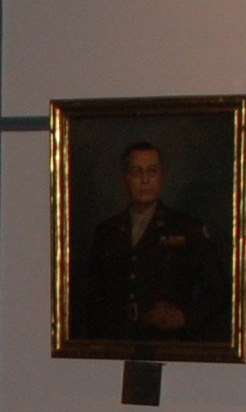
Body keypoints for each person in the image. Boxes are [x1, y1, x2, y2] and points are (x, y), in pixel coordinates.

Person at [79, 139, 215, 341]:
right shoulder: (107, 231)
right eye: (137, 172)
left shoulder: (187, 228)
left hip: (169, 342)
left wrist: (186, 317)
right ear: (125, 179)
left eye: (152, 171)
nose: (145, 180)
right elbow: (93, 300)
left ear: (162, 177)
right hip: (117, 342)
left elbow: (217, 290)